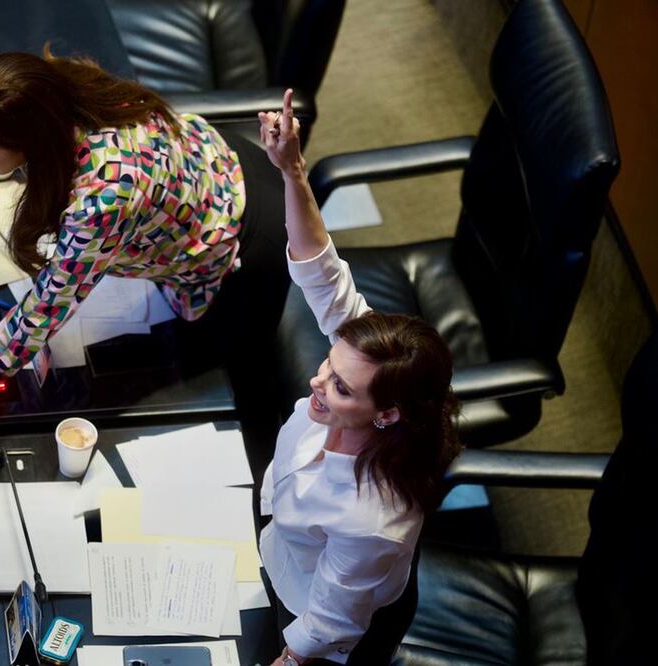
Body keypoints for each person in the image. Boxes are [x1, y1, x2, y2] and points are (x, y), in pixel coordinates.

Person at [0, 50, 290, 422]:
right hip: (219, 162)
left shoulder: (105, 195)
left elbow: (47, 306)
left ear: (27, 145)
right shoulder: (42, 91)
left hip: (244, 244)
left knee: (207, 378)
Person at [257, 92, 462, 665]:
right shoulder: (367, 363)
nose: (318, 381)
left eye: (341, 387)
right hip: (285, 549)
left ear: (388, 413)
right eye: (330, 364)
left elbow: (328, 623)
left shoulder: (375, 519)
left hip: (315, 615)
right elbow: (322, 271)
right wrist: (293, 171)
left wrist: (286, 658)